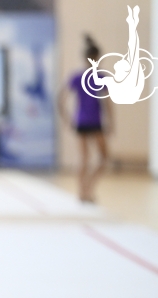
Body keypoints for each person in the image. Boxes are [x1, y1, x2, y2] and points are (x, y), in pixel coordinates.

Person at [59, 35, 113, 203]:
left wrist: (67, 118)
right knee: (98, 158)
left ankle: (84, 190)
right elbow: (108, 102)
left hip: (83, 121)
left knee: (86, 159)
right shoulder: (97, 77)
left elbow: (61, 99)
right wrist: (111, 121)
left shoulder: (81, 77)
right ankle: (86, 189)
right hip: (93, 121)